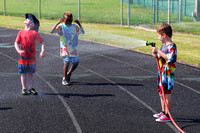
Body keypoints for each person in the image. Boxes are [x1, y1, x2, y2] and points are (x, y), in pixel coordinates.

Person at [50, 11, 85, 85]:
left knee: (76, 63)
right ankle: (65, 78)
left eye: (70, 20)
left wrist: (79, 24)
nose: (69, 22)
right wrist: (57, 23)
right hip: (65, 48)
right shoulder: (61, 27)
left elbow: (83, 32)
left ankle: (69, 73)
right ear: (63, 19)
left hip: (73, 49)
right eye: (67, 20)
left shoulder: (75, 27)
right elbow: (51, 31)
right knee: (67, 62)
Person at [151, 23, 177, 122]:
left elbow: (170, 58)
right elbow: (159, 57)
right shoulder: (163, 46)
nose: (159, 38)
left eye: (159, 36)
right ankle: (163, 111)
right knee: (161, 93)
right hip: (161, 72)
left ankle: (167, 114)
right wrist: (155, 53)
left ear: (164, 35)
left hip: (167, 74)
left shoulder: (172, 46)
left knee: (166, 93)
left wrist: (158, 50)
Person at [14, 13, 45, 95]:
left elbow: (42, 42)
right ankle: (24, 88)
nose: (26, 19)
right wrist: (18, 50)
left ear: (32, 24)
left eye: (28, 19)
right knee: (23, 73)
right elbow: (16, 43)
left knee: (31, 74)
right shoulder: (21, 32)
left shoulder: (34, 33)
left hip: (31, 57)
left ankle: (31, 87)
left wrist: (42, 51)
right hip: (23, 57)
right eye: (27, 18)